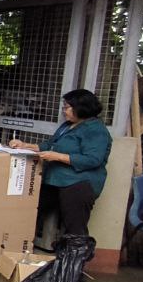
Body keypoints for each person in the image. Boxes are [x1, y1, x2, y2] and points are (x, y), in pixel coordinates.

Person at [11, 88, 112, 237]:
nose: (64, 111)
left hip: (78, 184)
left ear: (81, 107)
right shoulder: (67, 125)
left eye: (67, 107)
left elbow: (93, 159)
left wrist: (58, 157)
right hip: (55, 180)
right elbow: (50, 144)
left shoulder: (96, 130)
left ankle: (74, 257)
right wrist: (25, 145)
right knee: (30, 209)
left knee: (75, 227)